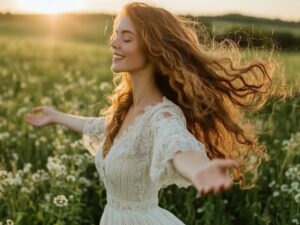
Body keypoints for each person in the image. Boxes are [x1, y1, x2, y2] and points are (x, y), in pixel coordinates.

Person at [24, 2, 279, 224]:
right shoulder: (127, 109)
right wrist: (55, 116)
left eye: (126, 38)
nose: (113, 42)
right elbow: (101, 126)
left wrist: (198, 169)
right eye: (115, 35)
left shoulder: (162, 116)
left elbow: (176, 144)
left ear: (152, 48)